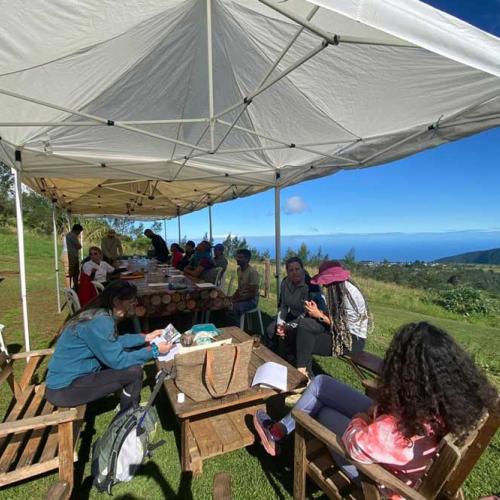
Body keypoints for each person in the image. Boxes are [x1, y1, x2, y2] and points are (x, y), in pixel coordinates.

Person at [254, 322, 498, 498]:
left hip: (377, 482)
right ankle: (278, 432)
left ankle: (278, 434)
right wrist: (379, 412)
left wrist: (362, 418)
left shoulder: (393, 429)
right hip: (394, 449)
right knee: (321, 384)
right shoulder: (448, 405)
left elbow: (355, 445)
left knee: (321, 413)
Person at [45, 280, 172, 413]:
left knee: (129, 356)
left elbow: (112, 342)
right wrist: (155, 350)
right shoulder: (100, 321)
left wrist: (146, 337)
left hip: (69, 379)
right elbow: (119, 361)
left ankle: (127, 403)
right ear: (117, 301)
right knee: (134, 372)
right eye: (131, 301)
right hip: (65, 389)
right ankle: (129, 414)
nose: (133, 306)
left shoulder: (97, 313)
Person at [295, 260, 368, 377]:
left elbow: (343, 329)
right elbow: (336, 318)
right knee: (305, 325)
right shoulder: (340, 289)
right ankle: (305, 374)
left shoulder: (349, 296)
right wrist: (319, 312)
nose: (323, 285)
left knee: (304, 343)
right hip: (339, 332)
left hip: (352, 340)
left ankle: (303, 375)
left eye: (325, 282)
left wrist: (319, 315)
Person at [266, 257, 321, 358]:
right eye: (291, 270)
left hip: (307, 320)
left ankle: (291, 356)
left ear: (302, 269)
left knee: (292, 334)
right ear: (287, 272)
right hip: (293, 314)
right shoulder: (285, 283)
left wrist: (288, 326)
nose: (294, 273)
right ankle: (273, 356)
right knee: (271, 329)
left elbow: (307, 314)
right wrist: (280, 323)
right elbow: (283, 306)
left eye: (297, 269)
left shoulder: (311, 286)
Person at [230, 249, 260, 323]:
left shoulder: (253, 273)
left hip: (251, 301)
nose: (237, 259)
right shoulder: (239, 270)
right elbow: (240, 288)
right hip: (242, 297)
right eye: (237, 257)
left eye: (240, 257)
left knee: (233, 307)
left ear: (247, 259)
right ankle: (228, 325)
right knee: (226, 304)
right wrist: (231, 298)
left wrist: (235, 301)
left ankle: (236, 330)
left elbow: (252, 295)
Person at [61, 223, 83, 292]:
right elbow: (79, 246)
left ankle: (73, 288)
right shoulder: (72, 235)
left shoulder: (68, 235)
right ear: (77, 230)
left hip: (71, 255)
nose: (79, 233)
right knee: (69, 274)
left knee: (74, 273)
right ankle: (70, 289)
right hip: (69, 256)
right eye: (79, 232)